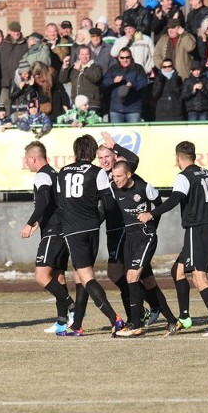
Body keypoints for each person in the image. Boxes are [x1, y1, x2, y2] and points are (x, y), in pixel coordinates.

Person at [138, 141, 208, 336]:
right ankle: (185, 317)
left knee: (198, 276)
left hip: (197, 230)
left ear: (178, 158)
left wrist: (151, 214)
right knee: (178, 271)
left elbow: (174, 199)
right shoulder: (207, 173)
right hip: (205, 228)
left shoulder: (183, 176)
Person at [55, 134, 125, 337]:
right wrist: (96, 217)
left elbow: (61, 203)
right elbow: (109, 203)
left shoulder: (62, 172)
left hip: (73, 231)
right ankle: (76, 324)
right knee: (80, 276)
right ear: (92, 153)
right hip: (92, 229)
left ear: (76, 151)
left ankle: (115, 319)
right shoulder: (97, 172)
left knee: (86, 276)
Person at [111, 160, 180, 336]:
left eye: (119, 176)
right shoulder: (113, 187)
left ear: (129, 174)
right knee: (148, 282)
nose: (116, 179)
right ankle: (172, 320)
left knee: (132, 276)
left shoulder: (144, 187)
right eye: (114, 176)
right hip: (129, 238)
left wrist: (152, 220)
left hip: (145, 236)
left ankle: (135, 325)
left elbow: (160, 205)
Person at [21, 141, 76, 334]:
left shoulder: (42, 175)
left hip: (54, 232)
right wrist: (39, 223)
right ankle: (62, 321)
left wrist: (30, 223)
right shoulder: (55, 173)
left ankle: (73, 308)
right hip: (62, 230)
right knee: (58, 277)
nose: (26, 162)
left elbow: (43, 201)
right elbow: (54, 203)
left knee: (41, 276)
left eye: (27, 159)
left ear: (34, 158)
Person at [102, 47, 148, 123]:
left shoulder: (138, 68)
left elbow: (144, 83)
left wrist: (133, 84)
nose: (125, 60)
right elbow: (104, 82)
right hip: (116, 109)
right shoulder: (113, 69)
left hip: (133, 109)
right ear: (118, 58)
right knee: (116, 134)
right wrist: (113, 80)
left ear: (131, 57)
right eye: (122, 58)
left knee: (134, 133)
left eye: (127, 57)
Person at [58, 45, 103, 113]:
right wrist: (65, 66)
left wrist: (82, 69)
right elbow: (63, 80)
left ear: (90, 55)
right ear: (79, 55)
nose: (84, 56)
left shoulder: (96, 67)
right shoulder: (74, 67)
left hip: (91, 105)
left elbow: (96, 78)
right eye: (82, 54)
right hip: (76, 105)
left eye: (87, 54)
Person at [0, 21, 28, 111]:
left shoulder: (25, 45)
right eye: (13, 31)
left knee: (21, 109)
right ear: (9, 31)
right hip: (6, 82)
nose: (16, 33)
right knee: (4, 108)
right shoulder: (3, 45)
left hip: (21, 83)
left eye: (18, 31)